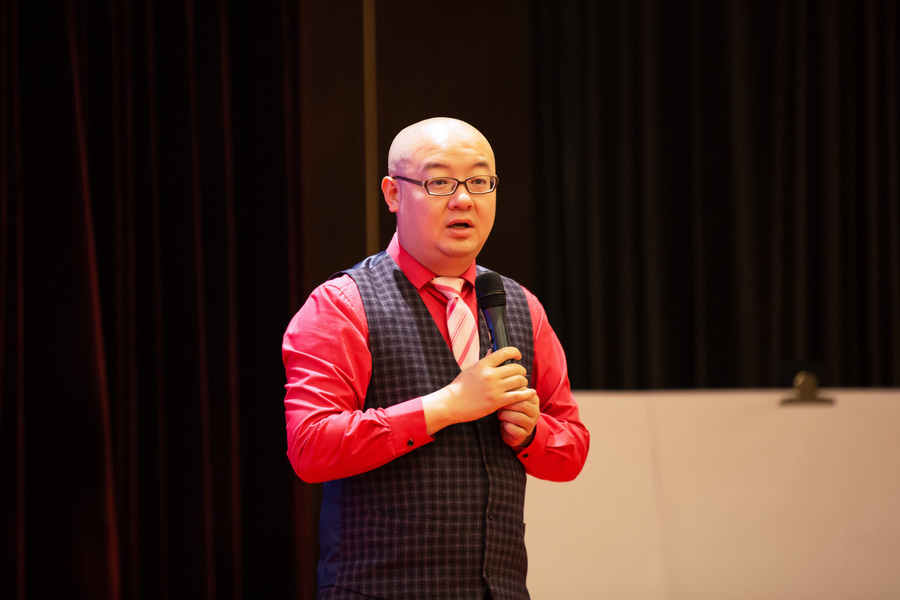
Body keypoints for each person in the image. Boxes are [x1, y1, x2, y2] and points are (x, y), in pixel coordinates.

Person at [283, 117, 589, 600]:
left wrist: (532, 433)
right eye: (440, 182)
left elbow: (571, 451)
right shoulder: (342, 304)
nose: (463, 199)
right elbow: (310, 448)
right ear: (392, 193)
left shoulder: (520, 305)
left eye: (480, 182)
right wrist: (445, 405)